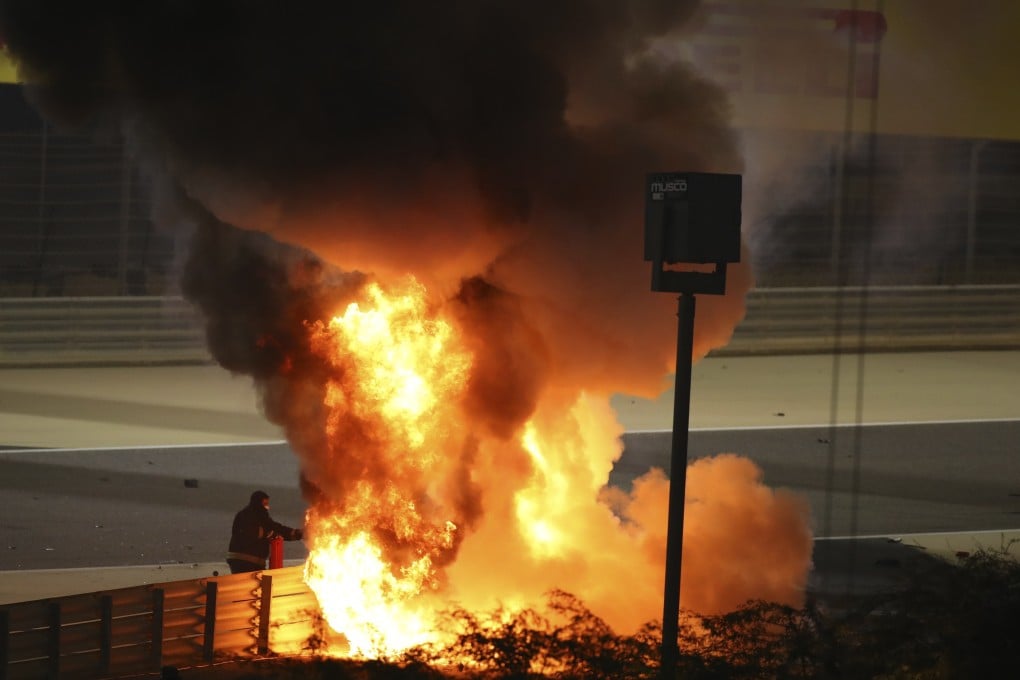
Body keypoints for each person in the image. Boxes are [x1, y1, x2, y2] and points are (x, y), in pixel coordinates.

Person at [226, 490, 303, 574]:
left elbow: (274, 528)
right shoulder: (252, 515)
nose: (267, 507)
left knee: (247, 584)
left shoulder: (251, 515)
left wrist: (293, 533)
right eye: (265, 504)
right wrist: (270, 533)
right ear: (258, 503)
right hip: (246, 562)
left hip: (244, 561)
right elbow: (268, 529)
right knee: (251, 584)